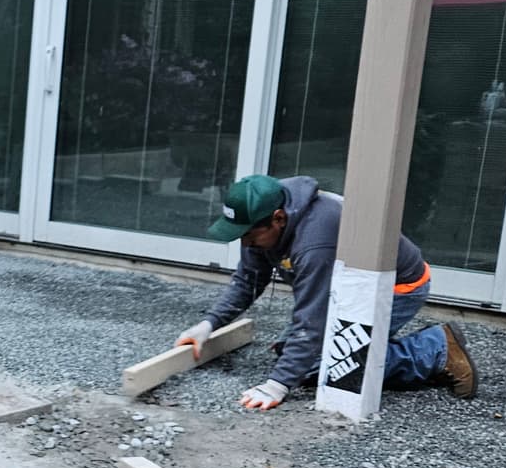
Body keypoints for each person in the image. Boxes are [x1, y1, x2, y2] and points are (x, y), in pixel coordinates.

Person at [177, 174, 477, 411]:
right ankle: (388, 346)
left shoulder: (313, 242)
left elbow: (313, 320)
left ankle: (434, 349)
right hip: (344, 289)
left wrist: (277, 385)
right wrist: (208, 325)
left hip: (397, 287)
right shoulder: (264, 221)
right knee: (291, 351)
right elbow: (248, 281)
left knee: (321, 366)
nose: (244, 243)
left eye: (248, 235)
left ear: (279, 218)